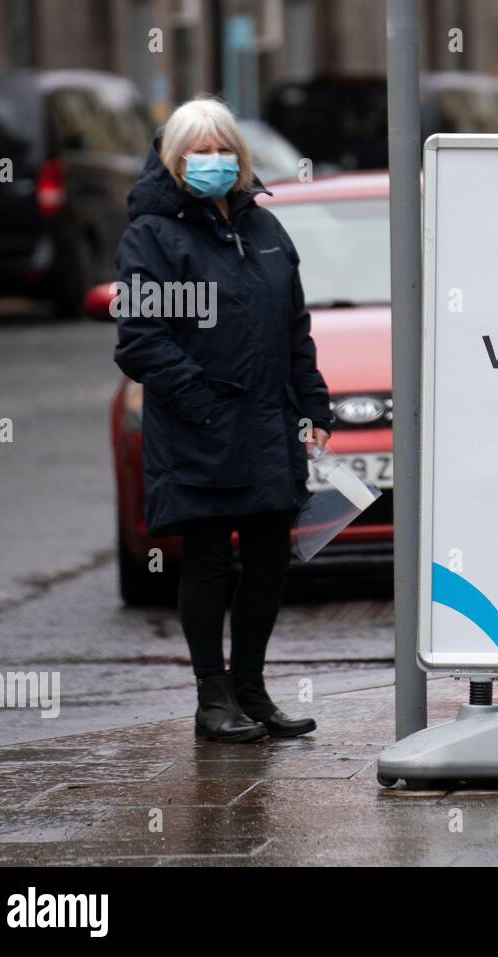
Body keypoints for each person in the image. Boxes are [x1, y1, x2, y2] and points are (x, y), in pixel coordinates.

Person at [113, 96, 334, 742]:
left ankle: (252, 689)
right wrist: (206, 405)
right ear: (174, 160)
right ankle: (213, 698)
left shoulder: (265, 229)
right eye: (198, 151)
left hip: (269, 426)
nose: (213, 161)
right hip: (199, 431)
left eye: (223, 150)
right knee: (208, 560)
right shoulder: (151, 235)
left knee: (270, 559)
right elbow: (139, 340)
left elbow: (294, 327)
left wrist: (314, 403)